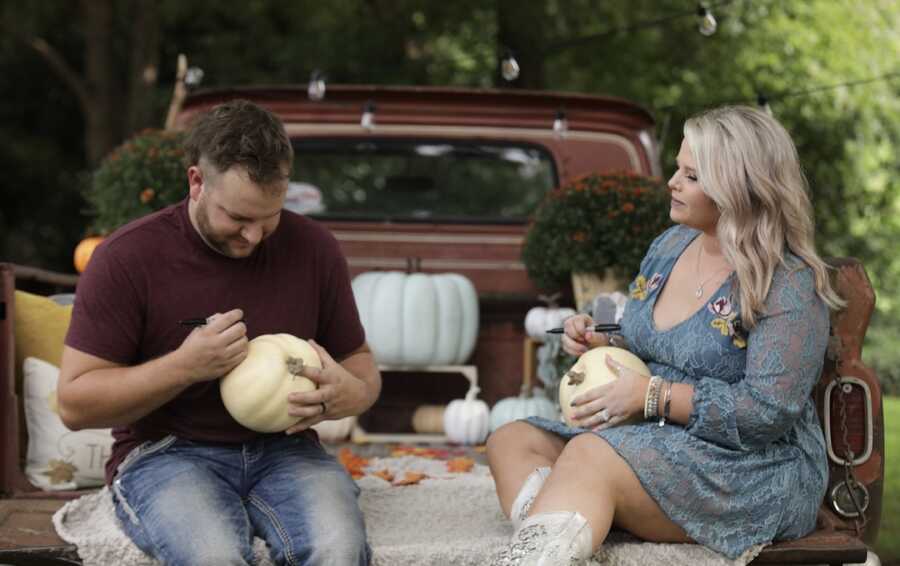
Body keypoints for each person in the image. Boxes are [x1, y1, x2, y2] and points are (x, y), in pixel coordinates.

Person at [486, 105, 844, 565]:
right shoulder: (669, 246)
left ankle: (558, 531)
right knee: (511, 439)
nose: (672, 182)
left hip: (750, 467)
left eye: (691, 176)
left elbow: (766, 413)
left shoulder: (787, 284)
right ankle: (570, 521)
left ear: (737, 189)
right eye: (678, 168)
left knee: (591, 454)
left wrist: (652, 396)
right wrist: (601, 341)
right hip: (651, 435)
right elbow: (646, 344)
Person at [58, 99, 381, 566]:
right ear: (196, 182)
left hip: (287, 451)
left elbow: (362, 370)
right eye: (238, 218)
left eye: (269, 218)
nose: (254, 237)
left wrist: (346, 393)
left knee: (339, 549)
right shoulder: (126, 258)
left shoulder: (315, 249)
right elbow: (73, 403)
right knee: (213, 558)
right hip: (166, 453)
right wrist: (185, 367)